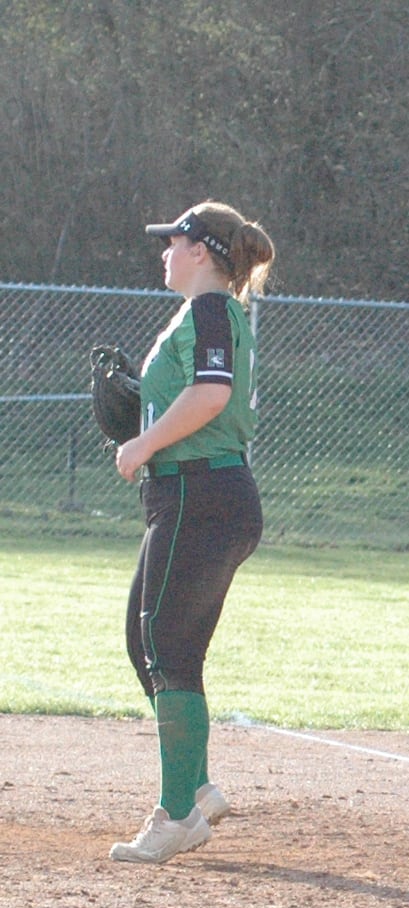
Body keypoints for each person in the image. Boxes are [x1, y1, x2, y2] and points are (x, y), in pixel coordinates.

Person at [108, 202, 273, 864]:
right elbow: (199, 393)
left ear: (201, 249)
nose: (164, 253)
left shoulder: (209, 310)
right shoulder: (202, 312)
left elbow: (210, 395)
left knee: (168, 647)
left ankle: (176, 815)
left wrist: (142, 442)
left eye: (172, 242)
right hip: (195, 494)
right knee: (144, 638)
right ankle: (197, 789)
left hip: (201, 494)